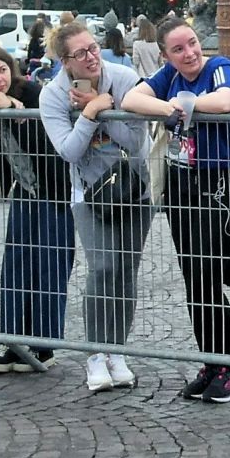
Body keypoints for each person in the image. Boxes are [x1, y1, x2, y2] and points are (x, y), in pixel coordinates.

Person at [118, 17, 230, 402]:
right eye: (178, 49)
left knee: (208, 276)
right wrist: (170, 107)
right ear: (165, 55)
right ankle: (212, 363)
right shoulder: (168, 76)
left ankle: (226, 367)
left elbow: (229, 100)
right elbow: (130, 99)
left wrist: (185, 105)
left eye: (192, 43)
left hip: (219, 187)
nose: (189, 52)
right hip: (183, 186)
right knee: (194, 278)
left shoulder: (218, 67)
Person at [39, 21, 150, 393]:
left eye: (93, 47)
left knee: (125, 273)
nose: (92, 57)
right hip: (89, 194)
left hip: (133, 191)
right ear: (64, 61)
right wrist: (90, 115)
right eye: (81, 53)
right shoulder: (53, 95)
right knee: (102, 267)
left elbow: (135, 142)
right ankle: (93, 353)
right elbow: (68, 150)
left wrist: (102, 109)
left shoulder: (123, 77)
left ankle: (116, 351)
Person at [0, 45, 72, 377]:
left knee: (49, 267)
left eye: (2, 71)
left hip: (54, 191)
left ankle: (44, 345)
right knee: (16, 266)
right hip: (23, 189)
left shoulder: (32, 91)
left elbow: (45, 140)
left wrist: (16, 109)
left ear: (12, 70)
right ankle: (12, 340)